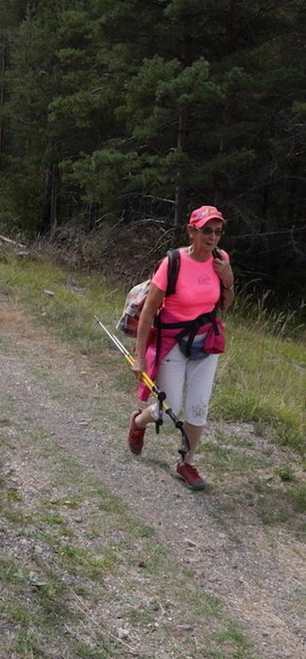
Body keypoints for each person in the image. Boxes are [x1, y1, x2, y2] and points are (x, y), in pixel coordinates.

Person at [127, 205, 235, 490]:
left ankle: (185, 462)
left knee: (198, 407)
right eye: (206, 230)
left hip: (206, 343)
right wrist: (140, 357)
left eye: (218, 231)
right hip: (172, 343)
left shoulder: (221, 259)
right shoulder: (173, 262)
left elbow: (226, 304)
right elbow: (148, 312)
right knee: (167, 409)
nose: (213, 237)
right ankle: (138, 422)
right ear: (191, 231)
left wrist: (229, 279)